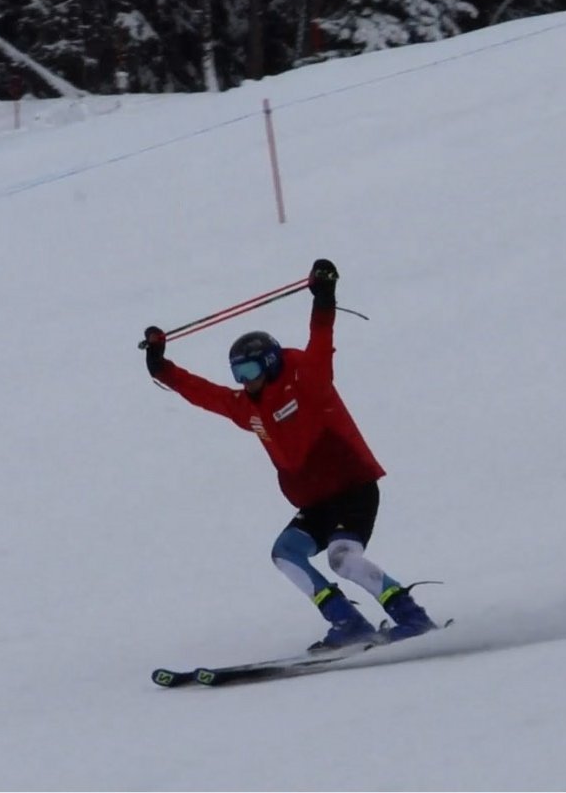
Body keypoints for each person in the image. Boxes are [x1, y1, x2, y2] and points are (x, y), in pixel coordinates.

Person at [142, 258, 438, 651]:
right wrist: (161, 367)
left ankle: (413, 618)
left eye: (248, 371)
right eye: (237, 374)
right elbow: (204, 393)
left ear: (268, 362)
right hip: (316, 504)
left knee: (342, 559)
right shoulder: (248, 406)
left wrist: (325, 296)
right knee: (285, 553)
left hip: (351, 488)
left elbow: (321, 336)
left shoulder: (305, 376)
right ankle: (346, 622)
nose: (243, 382)